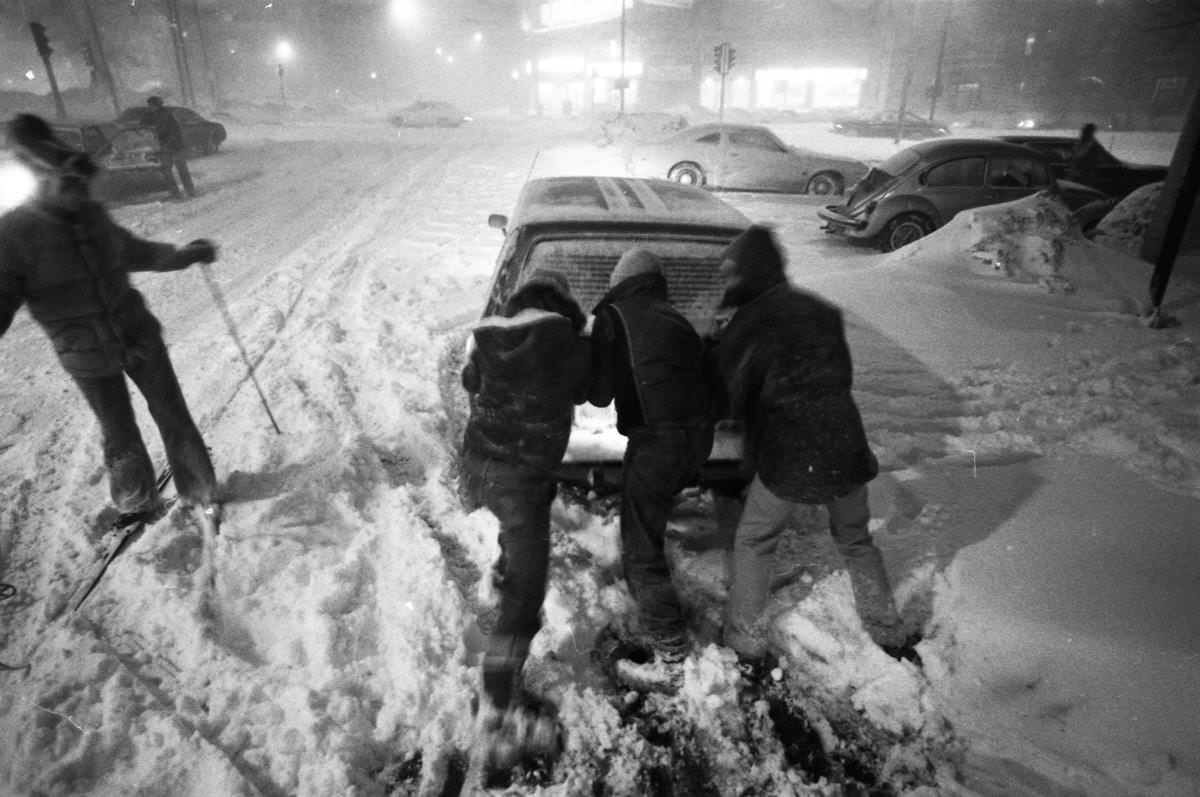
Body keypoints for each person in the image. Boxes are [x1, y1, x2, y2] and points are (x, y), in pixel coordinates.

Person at [0, 113, 220, 524]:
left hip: (137, 334)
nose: (80, 196)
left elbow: (133, 251)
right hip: (84, 352)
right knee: (119, 433)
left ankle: (200, 490)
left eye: (82, 188)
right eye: (71, 188)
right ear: (46, 183)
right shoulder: (14, 234)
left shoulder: (93, 215)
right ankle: (136, 502)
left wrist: (183, 254)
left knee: (172, 413)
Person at [711, 225, 910, 671]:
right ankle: (885, 626)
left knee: (755, 539)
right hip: (845, 443)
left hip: (792, 454)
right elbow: (841, 375)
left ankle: (746, 638)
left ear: (747, 272)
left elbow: (726, 395)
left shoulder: (750, 321)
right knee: (856, 538)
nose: (726, 281)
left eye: (730, 272)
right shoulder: (820, 310)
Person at [458, 270, 590, 774]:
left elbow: (471, 381)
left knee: (515, 543)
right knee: (528, 593)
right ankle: (496, 703)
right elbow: (593, 391)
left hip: (481, 467)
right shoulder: (563, 341)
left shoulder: (490, 336)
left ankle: (501, 573)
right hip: (522, 479)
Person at [589, 248, 715, 691]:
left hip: (659, 441)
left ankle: (671, 656)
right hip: (697, 440)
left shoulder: (614, 316)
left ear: (619, 281)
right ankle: (662, 608)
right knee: (647, 508)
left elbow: (600, 395)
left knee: (640, 552)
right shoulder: (676, 317)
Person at [147, 96, 195, 199]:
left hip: (176, 146)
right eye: (150, 106)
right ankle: (175, 193)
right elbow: (145, 125)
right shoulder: (152, 116)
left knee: (182, 169)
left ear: (158, 105)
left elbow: (175, 132)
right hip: (164, 147)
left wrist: (167, 145)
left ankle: (190, 191)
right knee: (166, 171)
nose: (151, 107)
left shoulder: (168, 115)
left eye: (152, 105)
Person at [1067, 122, 1102, 187]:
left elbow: (1094, 161)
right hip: (1078, 173)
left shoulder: (1093, 146)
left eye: (1084, 131)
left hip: (1083, 174)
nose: (1082, 133)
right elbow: (1073, 156)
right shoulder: (1081, 144)